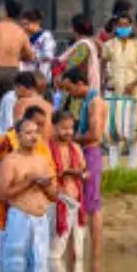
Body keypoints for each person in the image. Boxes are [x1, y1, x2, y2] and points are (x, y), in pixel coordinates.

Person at [0, 105, 55, 247]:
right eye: (37, 124)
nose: (40, 130)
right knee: (5, 249)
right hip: (7, 206)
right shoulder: (5, 141)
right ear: (25, 123)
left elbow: (52, 184)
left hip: (36, 213)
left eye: (41, 126)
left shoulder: (43, 147)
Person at [0, 118, 61, 263]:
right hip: (20, 218)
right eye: (28, 133)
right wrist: (28, 182)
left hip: (41, 220)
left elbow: (54, 195)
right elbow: (1, 194)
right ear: (18, 136)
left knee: (40, 268)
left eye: (36, 132)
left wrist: (45, 185)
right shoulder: (9, 161)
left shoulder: (42, 160)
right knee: (17, 266)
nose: (34, 136)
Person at [63, 69, 106, 256]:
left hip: (91, 153)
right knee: (87, 202)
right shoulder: (89, 101)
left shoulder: (95, 103)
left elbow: (94, 135)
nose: (69, 93)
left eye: (69, 88)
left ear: (80, 84)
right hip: (87, 153)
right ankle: (87, 252)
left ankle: (95, 253)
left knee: (93, 205)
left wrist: (71, 139)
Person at [102, 11, 137, 169]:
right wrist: (106, 82)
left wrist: (134, 84)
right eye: (120, 25)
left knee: (133, 129)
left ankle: (133, 167)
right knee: (114, 128)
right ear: (115, 26)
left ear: (131, 26)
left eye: (126, 25)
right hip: (115, 92)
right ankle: (114, 167)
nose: (123, 27)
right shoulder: (108, 45)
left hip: (134, 92)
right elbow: (103, 67)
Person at [49, 110, 86, 258]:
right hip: (56, 202)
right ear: (54, 127)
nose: (68, 132)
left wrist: (81, 174)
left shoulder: (76, 148)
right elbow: (46, 174)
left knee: (78, 252)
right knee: (55, 252)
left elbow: (85, 171)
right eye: (64, 128)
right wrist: (64, 174)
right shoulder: (47, 148)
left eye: (71, 128)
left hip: (76, 200)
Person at [58, 14, 102, 95]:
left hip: (81, 89)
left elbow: (71, 65)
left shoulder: (84, 45)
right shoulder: (89, 43)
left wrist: (59, 71)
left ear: (74, 29)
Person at [20, 8, 57, 90]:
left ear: (37, 23)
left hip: (41, 81)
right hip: (24, 80)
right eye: (22, 25)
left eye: (26, 24)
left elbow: (49, 56)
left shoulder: (46, 36)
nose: (24, 27)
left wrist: (32, 56)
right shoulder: (23, 37)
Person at [10, 72, 52, 141]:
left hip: (31, 144)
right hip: (47, 145)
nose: (15, 93)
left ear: (21, 87)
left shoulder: (21, 103)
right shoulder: (49, 105)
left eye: (15, 89)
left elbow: (18, 129)